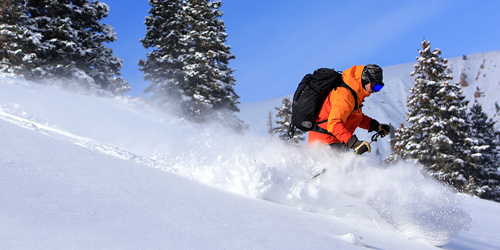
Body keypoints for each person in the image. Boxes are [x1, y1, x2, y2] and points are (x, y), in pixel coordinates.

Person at [308, 64, 391, 154]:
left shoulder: (355, 93)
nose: (376, 91)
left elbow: (354, 116)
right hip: (325, 143)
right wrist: (354, 143)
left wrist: (376, 126)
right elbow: (334, 124)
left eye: (379, 87)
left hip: (334, 141)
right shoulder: (344, 95)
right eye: (375, 87)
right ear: (365, 80)